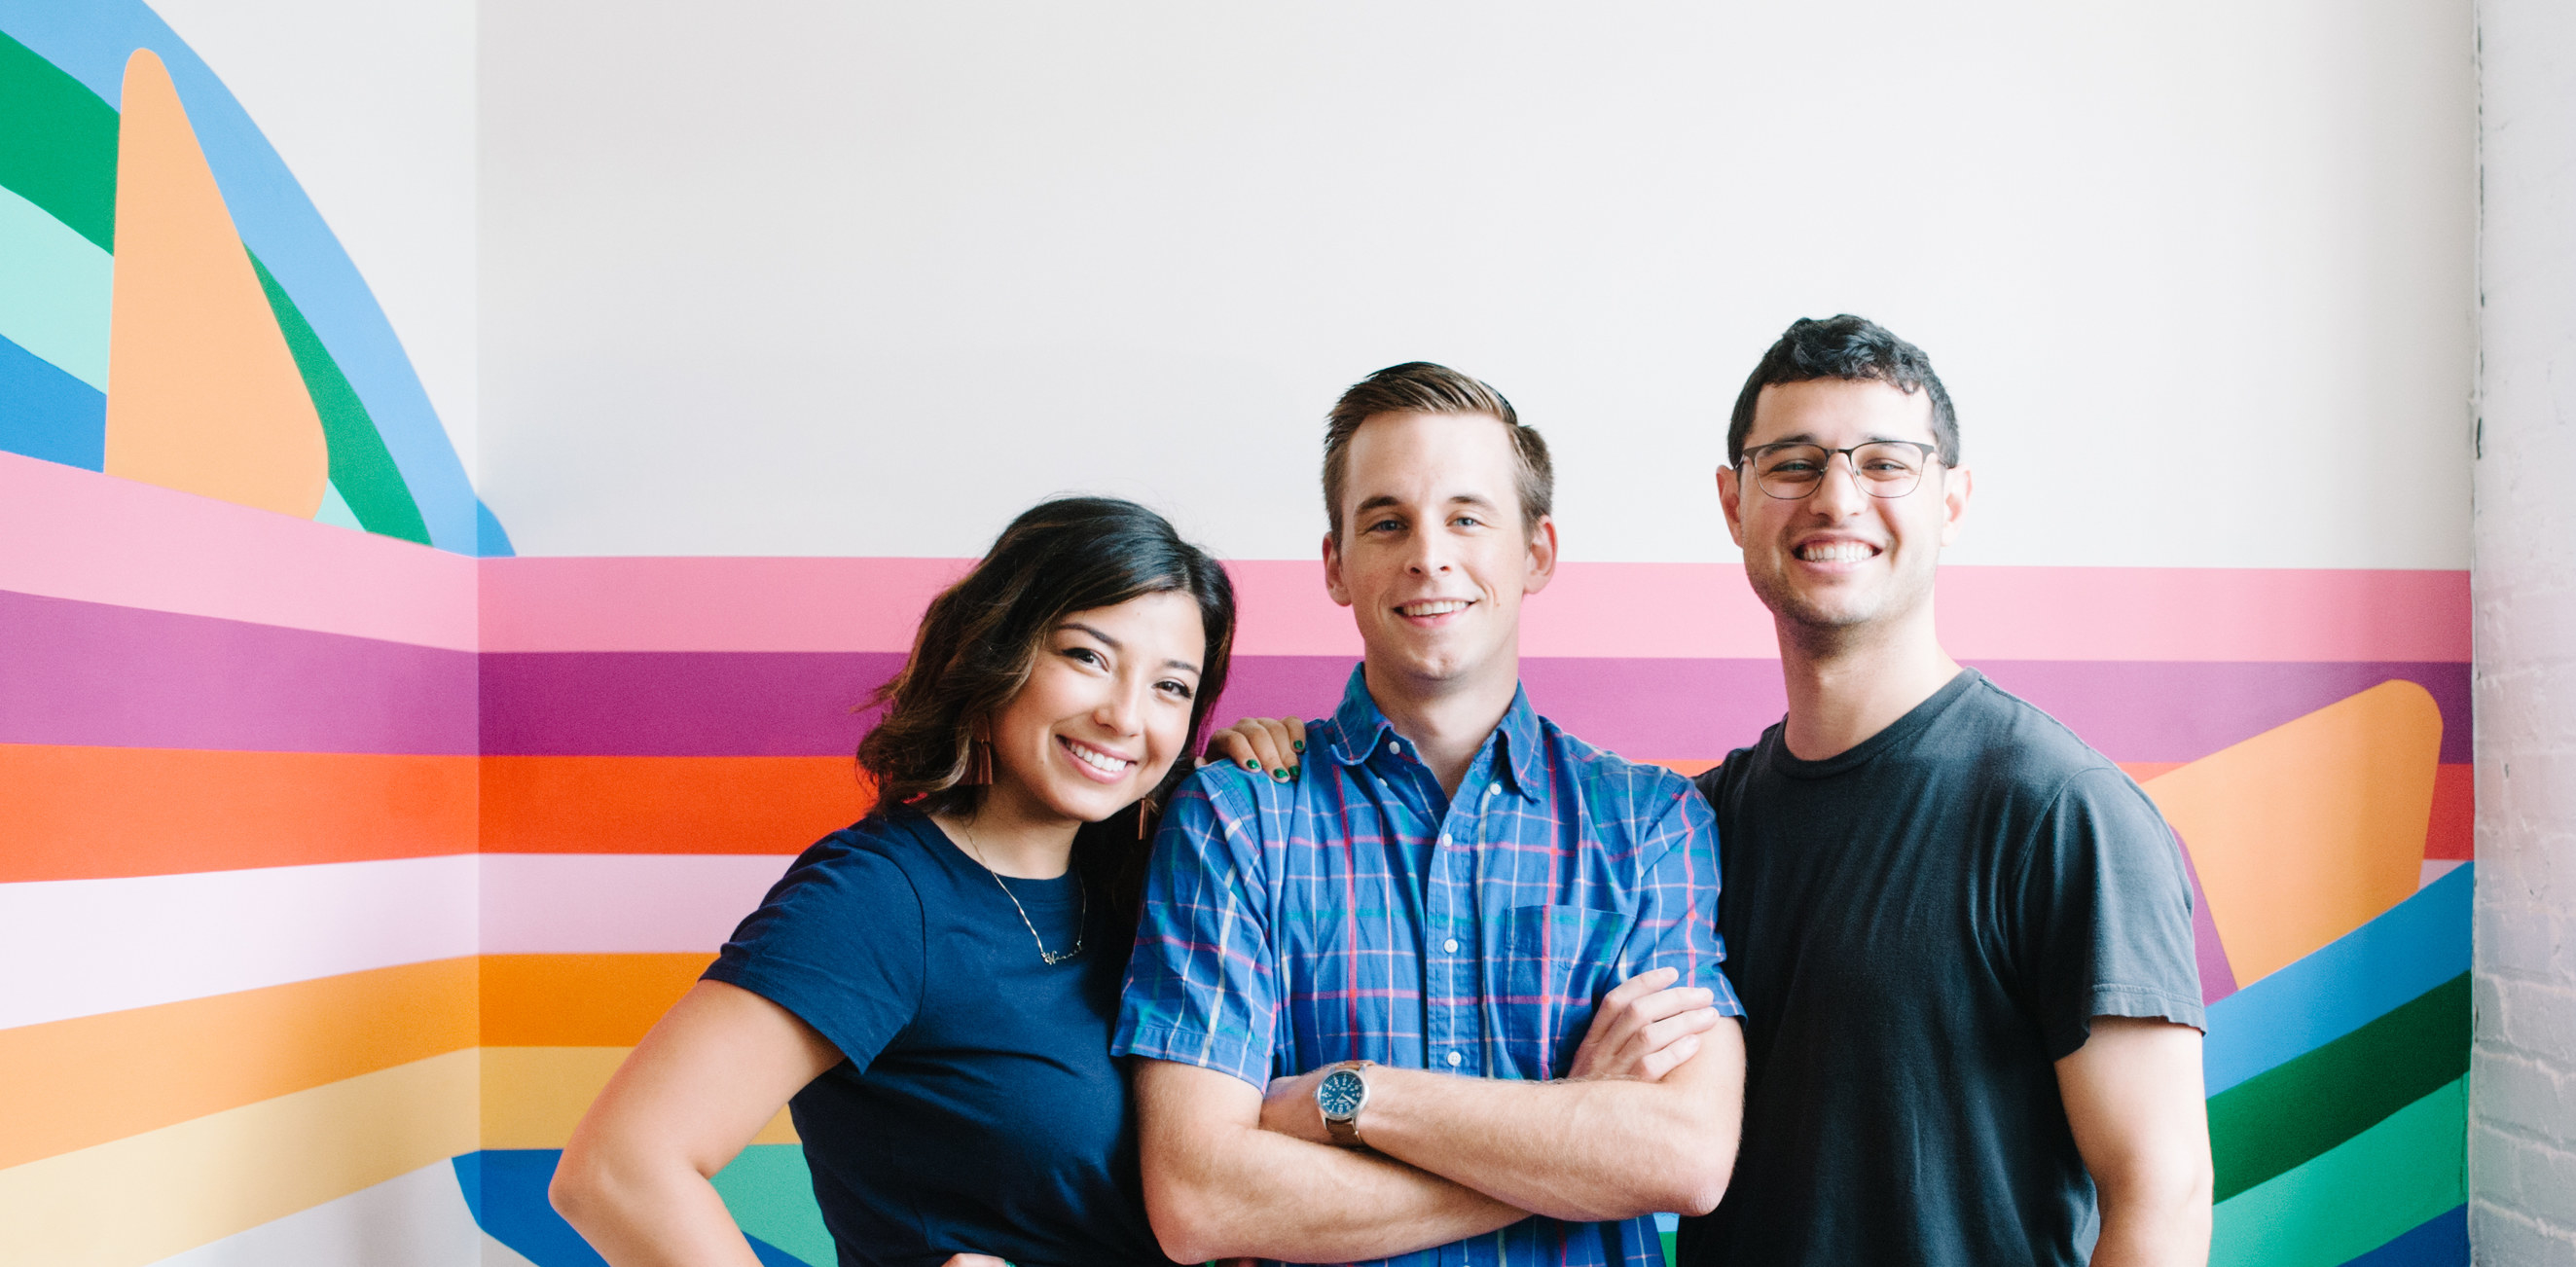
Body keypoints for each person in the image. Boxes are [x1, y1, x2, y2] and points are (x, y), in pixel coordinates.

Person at [1215, 318, 2214, 1266]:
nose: (1836, 497)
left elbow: (2159, 1196)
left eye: (1883, 462)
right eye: (1795, 463)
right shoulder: (1701, 815)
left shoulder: (2060, 810)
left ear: (1949, 499)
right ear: (1735, 503)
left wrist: (1349, 1101)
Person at [1119, 362, 1748, 1267]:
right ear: (1336, 564)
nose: (1428, 555)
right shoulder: (1237, 820)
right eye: (1386, 521)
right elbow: (1200, 1197)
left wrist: (1350, 1099)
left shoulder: (1653, 824)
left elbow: (1680, 1157)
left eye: (1466, 517)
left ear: (1536, 551)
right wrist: (1565, 1142)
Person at [550, 496, 1237, 1267]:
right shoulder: (878, 899)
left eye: (1170, 687)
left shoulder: (1144, 892)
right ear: (997, 651)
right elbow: (618, 1173)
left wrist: (1271, 777)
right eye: (1087, 657)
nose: (1125, 716)